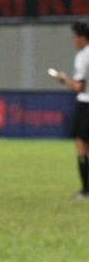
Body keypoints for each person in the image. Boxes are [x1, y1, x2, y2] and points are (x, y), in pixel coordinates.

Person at [52, 21, 89, 199]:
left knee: (81, 146)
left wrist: (63, 79)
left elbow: (79, 86)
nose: (74, 40)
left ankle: (85, 189)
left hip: (85, 104)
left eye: (75, 36)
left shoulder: (83, 56)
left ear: (81, 37)